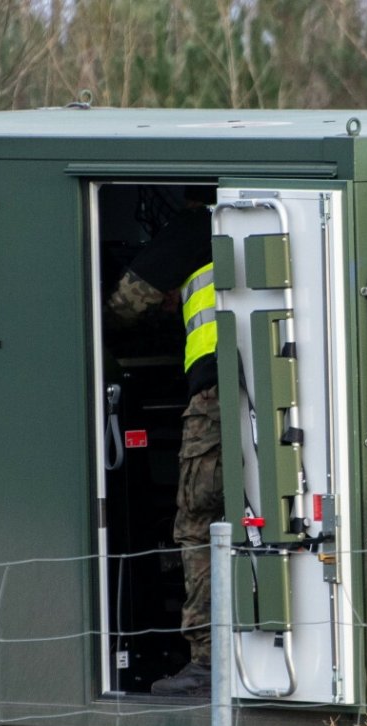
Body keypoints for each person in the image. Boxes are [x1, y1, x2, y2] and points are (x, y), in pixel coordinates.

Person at [106, 205, 220, 697]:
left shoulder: (196, 225)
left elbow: (126, 303)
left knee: (199, 525)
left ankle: (208, 662)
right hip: (286, 395)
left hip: (216, 400)